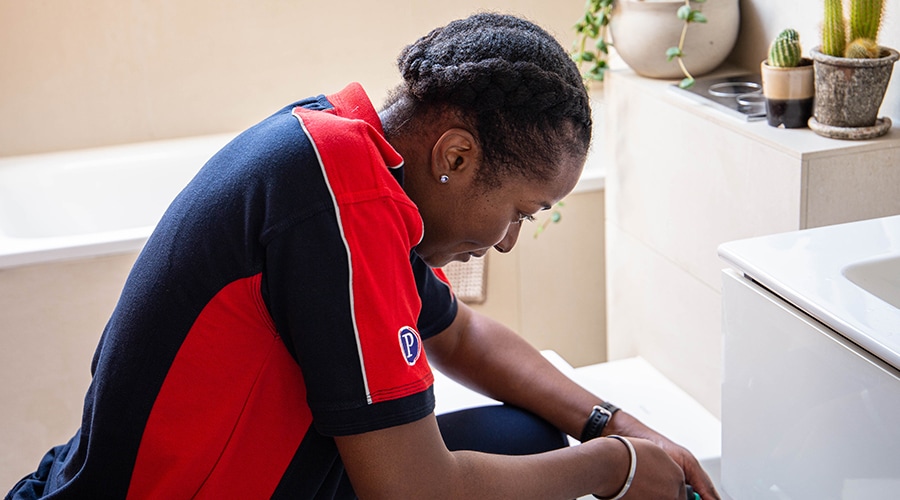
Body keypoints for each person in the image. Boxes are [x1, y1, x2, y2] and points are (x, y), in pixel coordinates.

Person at [7, 13, 719, 500]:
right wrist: (612, 469)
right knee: (533, 462)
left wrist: (611, 423)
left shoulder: (344, 150)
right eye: (520, 212)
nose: (507, 240)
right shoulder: (342, 201)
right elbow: (414, 491)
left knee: (527, 436)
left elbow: (461, 333)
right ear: (457, 155)